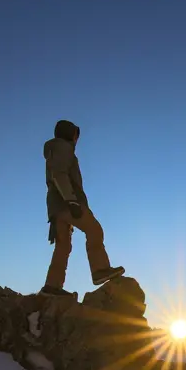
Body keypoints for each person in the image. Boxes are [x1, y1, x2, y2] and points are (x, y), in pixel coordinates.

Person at [40, 119, 124, 296]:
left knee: (63, 246)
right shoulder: (63, 148)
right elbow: (59, 175)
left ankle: (52, 286)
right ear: (70, 134)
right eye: (75, 134)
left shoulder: (54, 151)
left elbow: (56, 175)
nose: (77, 139)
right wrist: (71, 201)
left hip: (55, 206)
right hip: (67, 202)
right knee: (94, 230)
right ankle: (100, 270)